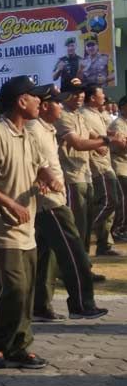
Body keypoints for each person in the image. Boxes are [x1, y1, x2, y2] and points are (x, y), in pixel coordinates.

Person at [0, 76, 63, 369]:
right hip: (1, 228)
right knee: (15, 289)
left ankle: (18, 346)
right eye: (36, 97)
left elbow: (40, 166)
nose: (41, 102)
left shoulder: (29, 135)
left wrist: (47, 178)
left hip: (27, 227)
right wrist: (10, 202)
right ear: (21, 101)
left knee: (27, 291)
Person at [26, 86, 108, 321]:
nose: (61, 106)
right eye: (57, 103)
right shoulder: (34, 129)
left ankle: (39, 307)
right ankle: (81, 304)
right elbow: (29, 161)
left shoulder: (46, 128)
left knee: (46, 255)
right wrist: (41, 179)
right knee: (74, 250)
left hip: (50, 200)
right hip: (49, 202)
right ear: (44, 106)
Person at [56, 78, 119, 258]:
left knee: (84, 224)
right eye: (74, 93)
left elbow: (91, 134)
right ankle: (73, 265)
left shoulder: (78, 115)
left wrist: (104, 140)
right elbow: (78, 144)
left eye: (81, 92)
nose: (79, 96)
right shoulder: (63, 115)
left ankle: (84, 267)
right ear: (64, 95)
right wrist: (105, 141)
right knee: (77, 224)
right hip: (71, 175)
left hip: (85, 173)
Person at [80, 84, 122, 256]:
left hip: (106, 162)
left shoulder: (99, 114)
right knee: (108, 201)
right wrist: (99, 144)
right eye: (101, 94)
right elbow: (86, 136)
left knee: (114, 201)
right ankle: (85, 232)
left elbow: (106, 134)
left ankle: (104, 244)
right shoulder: (84, 115)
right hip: (97, 165)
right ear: (92, 98)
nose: (104, 96)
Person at [108, 96, 127, 241]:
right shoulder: (118, 124)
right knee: (122, 201)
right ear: (123, 107)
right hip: (120, 166)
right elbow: (121, 145)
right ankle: (117, 230)